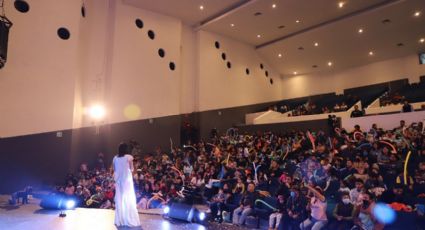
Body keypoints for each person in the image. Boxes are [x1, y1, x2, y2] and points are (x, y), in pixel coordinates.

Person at [113, 142, 141, 227]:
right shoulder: (129, 157)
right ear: (126, 149)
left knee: (120, 200)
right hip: (126, 182)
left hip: (119, 182)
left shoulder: (115, 158)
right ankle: (128, 219)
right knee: (128, 199)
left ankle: (120, 220)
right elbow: (132, 169)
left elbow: (114, 170)